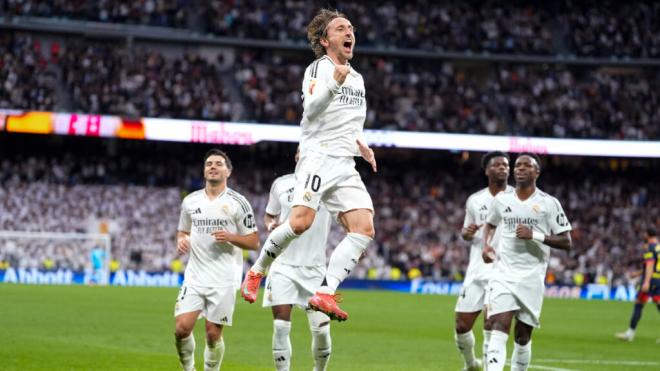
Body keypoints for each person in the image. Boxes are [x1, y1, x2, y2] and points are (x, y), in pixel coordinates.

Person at [241, 8, 377, 322]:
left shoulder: (356, 78)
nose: (349, 32)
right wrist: (333, 84)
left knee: (364, 227)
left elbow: (352, 122)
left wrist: (361, 144)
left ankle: (325, 292)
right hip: (318, 156)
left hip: (344, 163)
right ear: (324, 40)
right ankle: (258, 270)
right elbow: (312, 113)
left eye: (351, 28)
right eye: (341, 28)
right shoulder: (319, 68)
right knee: (300, 223)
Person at [481, 153, 572, 371]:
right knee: (498, 325)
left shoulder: (549, 203)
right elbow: (490, 224)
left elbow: (566, 241)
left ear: (536, 172)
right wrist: (486, 245)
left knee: (522, 336)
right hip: (503, 273)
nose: (520, 169)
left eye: (527, 166)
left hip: (532, 276)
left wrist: (536, 235)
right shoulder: (502, 199)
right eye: (517, 165)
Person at [174, 149, 260, 371]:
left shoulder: (238, 202)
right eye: (209, 164)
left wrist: (231, 237)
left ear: (228, 171)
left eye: (219, 164)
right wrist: (182, 240)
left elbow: (253, 242)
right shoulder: (190, 201)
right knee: (182, 329)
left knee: (213, 335)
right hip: (195, 276)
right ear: (204, 170)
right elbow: (182, 231)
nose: (213, 166)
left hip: (224, 278)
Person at [263, 149, 333, 371]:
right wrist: (270, 225)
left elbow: (346, 214)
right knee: (281, 326)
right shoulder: (280, 184)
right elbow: (270, 214)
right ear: (296, 157)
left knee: (321, 328)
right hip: (283, 265)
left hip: (315, 268)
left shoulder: (329, 184)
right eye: (303, 153)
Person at [456, 151, 512, 371]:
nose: (502, 168)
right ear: (487, 170)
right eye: (497, 165)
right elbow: (466, 232)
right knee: (462, 325)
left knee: (491, 324)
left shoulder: (517, 198)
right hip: (477, 269)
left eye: (506, 165)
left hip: (502, 270)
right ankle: (471, 364)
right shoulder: (475, 200)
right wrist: (467, 233)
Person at [615, 227, 660, 342]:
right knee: (644, 303)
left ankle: (630, 333)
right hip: (658, 280)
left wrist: (646, 282)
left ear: (648, 235)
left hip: (651, 281)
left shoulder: (650, 248)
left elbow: (650, 265)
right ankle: (629, 333)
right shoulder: (658, 247)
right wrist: (637, 273)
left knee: (639, 304)